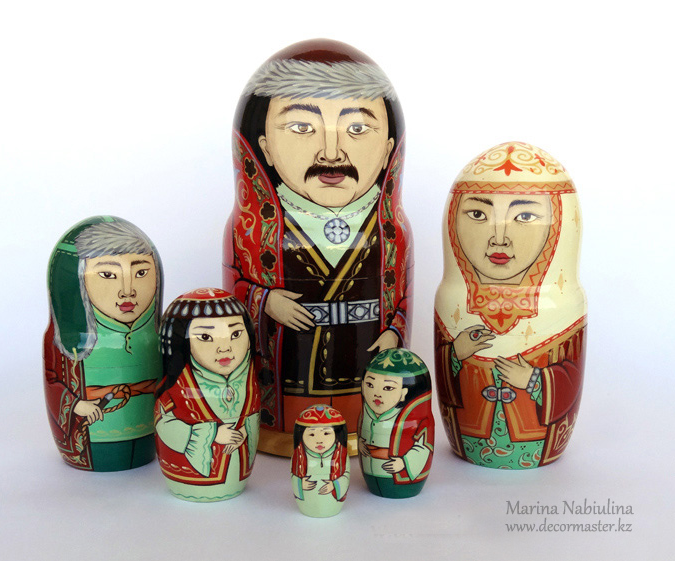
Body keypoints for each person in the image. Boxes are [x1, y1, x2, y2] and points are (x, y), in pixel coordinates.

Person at [224, 39, 412, 456]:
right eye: (301, 128)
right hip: (290, 382)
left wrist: (395, 331)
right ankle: (278, 432)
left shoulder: (389, 229)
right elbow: (233, 294)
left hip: (362, 375)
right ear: (264, 146)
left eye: (357, 129)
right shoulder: (253, 228)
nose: (331, 152)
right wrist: (266, 300)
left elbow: (399, 296)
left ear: (387, 149)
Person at [434, 142, 587, 469]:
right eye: (478, 214)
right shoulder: (453, 294)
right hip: (472, 434)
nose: (499, 238)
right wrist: (456, 353)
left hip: (535, 441)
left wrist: (534, 380)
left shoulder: (563, 303)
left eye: (525, 216)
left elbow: (569, 376)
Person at [43, 216, 163, 471]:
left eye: (141, 273)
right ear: (78, 282)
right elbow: (54, 381)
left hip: (148, 432)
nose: (127, 290)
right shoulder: (64, 338)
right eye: (108, 274)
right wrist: (77, 404)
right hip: (91, 439)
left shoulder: (156, 333)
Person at [154, 288, 260, 502]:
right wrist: (213, 434)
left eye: (236, 335)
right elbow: (162, 423)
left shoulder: (249, 381)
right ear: (184, 343)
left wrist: (244, 431)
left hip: (237, 465)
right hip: (189, 474)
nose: (224, 349)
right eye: (205, 337)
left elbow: (252, 417)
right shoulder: (177, 386)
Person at [358, 349, 434, 498]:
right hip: (371, 470)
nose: (377, 393)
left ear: (403, 394)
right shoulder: (365, 413)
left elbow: (423, 447)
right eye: (370, 385)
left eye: (388, 388)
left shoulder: (412, 419)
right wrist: (361, 444)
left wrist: (404, 462)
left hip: (395, 473)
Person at [291, 404, 349, 517]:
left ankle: (331, 508)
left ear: (337, 434)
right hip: (308, 500)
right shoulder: (299, 455)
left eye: (326, 433)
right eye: (311, 434)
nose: (319, 440)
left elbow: (346, 475)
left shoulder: (341, 454)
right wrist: (300, 484)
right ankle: (308, 508)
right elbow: (294, 475)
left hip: (332, 500)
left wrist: (334, 485)